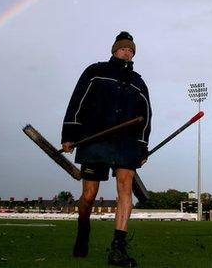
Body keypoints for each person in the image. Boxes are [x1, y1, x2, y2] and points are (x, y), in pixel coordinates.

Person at [61, 31, 151, 267]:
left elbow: (146, 116)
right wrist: (69, 134)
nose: (127, 52)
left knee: (125, 189)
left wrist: (142, 148)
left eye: (131, 50)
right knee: (89, 195)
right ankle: (83, 229)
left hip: (126, 143)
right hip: (95, 138)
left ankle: (118, 249)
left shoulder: (139, 82)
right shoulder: (95, 71)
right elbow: (77, 101)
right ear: (114, 50)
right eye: (123, 48)